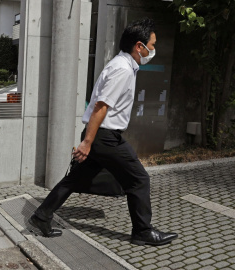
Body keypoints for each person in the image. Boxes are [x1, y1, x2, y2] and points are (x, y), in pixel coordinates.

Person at [29, 18, 178, 246]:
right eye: (153, 44)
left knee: (74, 180)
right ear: (139, 46)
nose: (154, 50)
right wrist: (88, 142)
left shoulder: (122, 65)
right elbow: (101, 106)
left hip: (99, 136)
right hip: (105, 137)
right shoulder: (122, 69)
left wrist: (89, 141)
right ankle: (142, 232)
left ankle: (41, 216)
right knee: (139, 180)